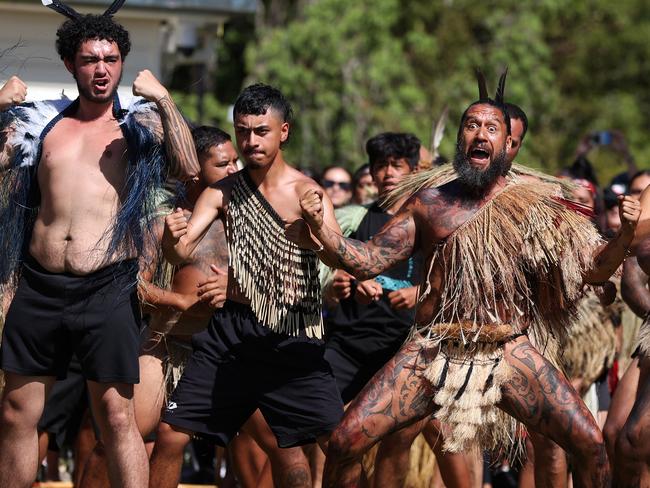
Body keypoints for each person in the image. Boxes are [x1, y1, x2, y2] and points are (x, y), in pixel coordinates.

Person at [297, 70, 640, 487]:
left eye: (491, 127)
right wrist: (322, 230)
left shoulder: (534, 204)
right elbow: (368, 260)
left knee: (589, 442)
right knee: (345, 441)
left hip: (507, 347)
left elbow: (593, 268)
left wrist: (623, 235)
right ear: (461, 139)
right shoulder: (429, 202)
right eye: (471, 125)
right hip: (433, 348)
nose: (480, 133)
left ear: (507, 143)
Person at [0, 2, 199, 487]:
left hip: (106, 287)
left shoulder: (138, 125)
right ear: (71, 64)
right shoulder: (41, 124)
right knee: (14, 415)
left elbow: (188, 167)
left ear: (122, 64)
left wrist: (165, 98)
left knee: (116, 417)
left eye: (110, 59)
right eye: (90, 60)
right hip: (41, 286)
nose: (102, 69)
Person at [149, 83, 344, 488]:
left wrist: (317, 232)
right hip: (230, 338)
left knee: (339, 443)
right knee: (170, 434)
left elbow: (336, 258)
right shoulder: (223, 192)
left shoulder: (308, 193)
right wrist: (171, 237)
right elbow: (180, 252)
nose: (250, 141)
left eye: (261, 131)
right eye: (243, 131)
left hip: (291, 334)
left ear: (283, 131)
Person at [322, 131, 470, 488]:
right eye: (379, 166)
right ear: (370, 173)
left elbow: (461, 280)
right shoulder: (354, 220)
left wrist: (421, 292)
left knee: (421, 436)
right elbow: (329, 277)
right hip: (349, 344)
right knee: (325, 427)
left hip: (406, 347)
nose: (387, 173)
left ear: (413, 168)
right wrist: (342, 284)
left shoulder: (435, 221)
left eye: (396, 165)